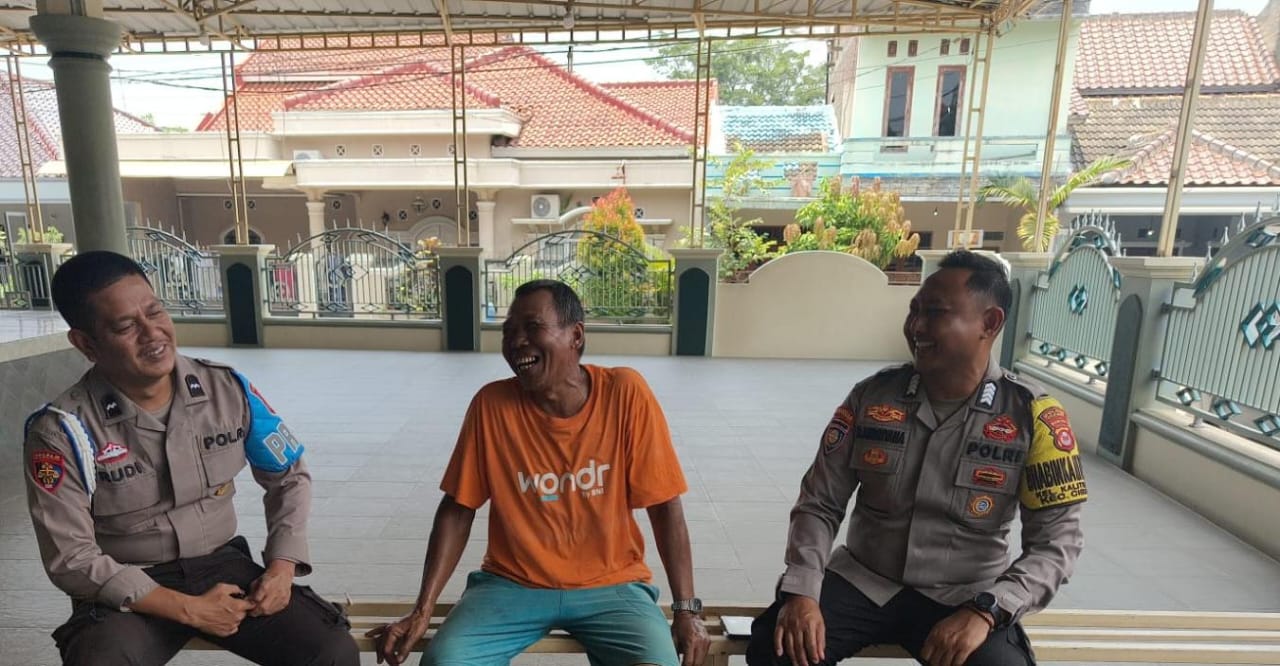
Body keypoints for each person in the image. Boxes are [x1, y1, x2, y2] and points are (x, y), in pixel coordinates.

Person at [748, 250, 1086, 666]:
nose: (916, 327)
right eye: (914, 311)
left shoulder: (1034, 417)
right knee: (776, 651)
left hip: (965, 594)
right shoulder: (872, 397)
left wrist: (988, 610)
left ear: (990, 323)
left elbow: (1056, 543)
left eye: (935, 313)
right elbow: (820, 503)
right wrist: (802, 590)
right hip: (864, 580)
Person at [23, 250, 358, 665]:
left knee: (331, 650)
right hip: (130, 583)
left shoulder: (226, 389)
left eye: (155, 312)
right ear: (86, 344)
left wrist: (281, 567)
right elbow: (70, 558)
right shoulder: (62, 431)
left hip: (223, 565)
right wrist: (189, 609)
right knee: (101, 659)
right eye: (126, 326)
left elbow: (289, 476)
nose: (152, 333)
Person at [368, 279, 710, 666]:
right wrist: (422, 610)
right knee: (445, 661)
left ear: (576, 335)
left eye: (532, 327)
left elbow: (665, 505)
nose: (517, 341)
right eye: (509, 331)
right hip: (511, 584)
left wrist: (686, 609)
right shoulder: (491, 405)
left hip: (612, 585)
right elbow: (458, 508)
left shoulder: (625, 393)